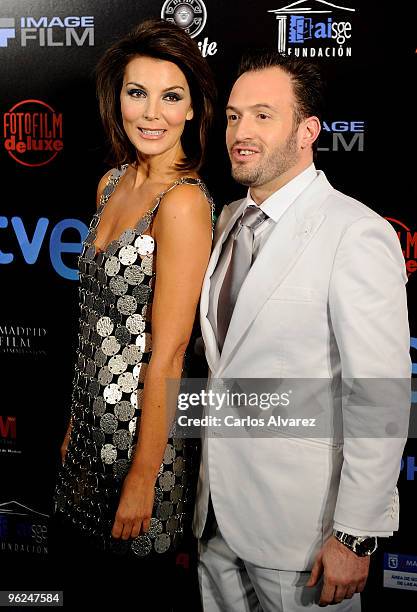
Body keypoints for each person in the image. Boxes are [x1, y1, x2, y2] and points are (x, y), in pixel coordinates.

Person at [194, 51, 410, 611]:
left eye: (263, 116)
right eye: (235, 116)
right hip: (214, 517)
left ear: (308, 130)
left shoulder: (355, 232)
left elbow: (381, 394)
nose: (241, 132)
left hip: (304, 535)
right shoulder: (226, 221)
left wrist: (356, 535)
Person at [53, 17, 215, 604]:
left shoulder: (185, 204)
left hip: (142, 446)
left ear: (194, 110)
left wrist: (144, 477)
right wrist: (76, 422)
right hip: (89, 431)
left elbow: (170, 352)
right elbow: (95, 327)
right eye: (136, 92)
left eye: (172, 96)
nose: (151, 113)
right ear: (115, 98)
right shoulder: (110, 183)